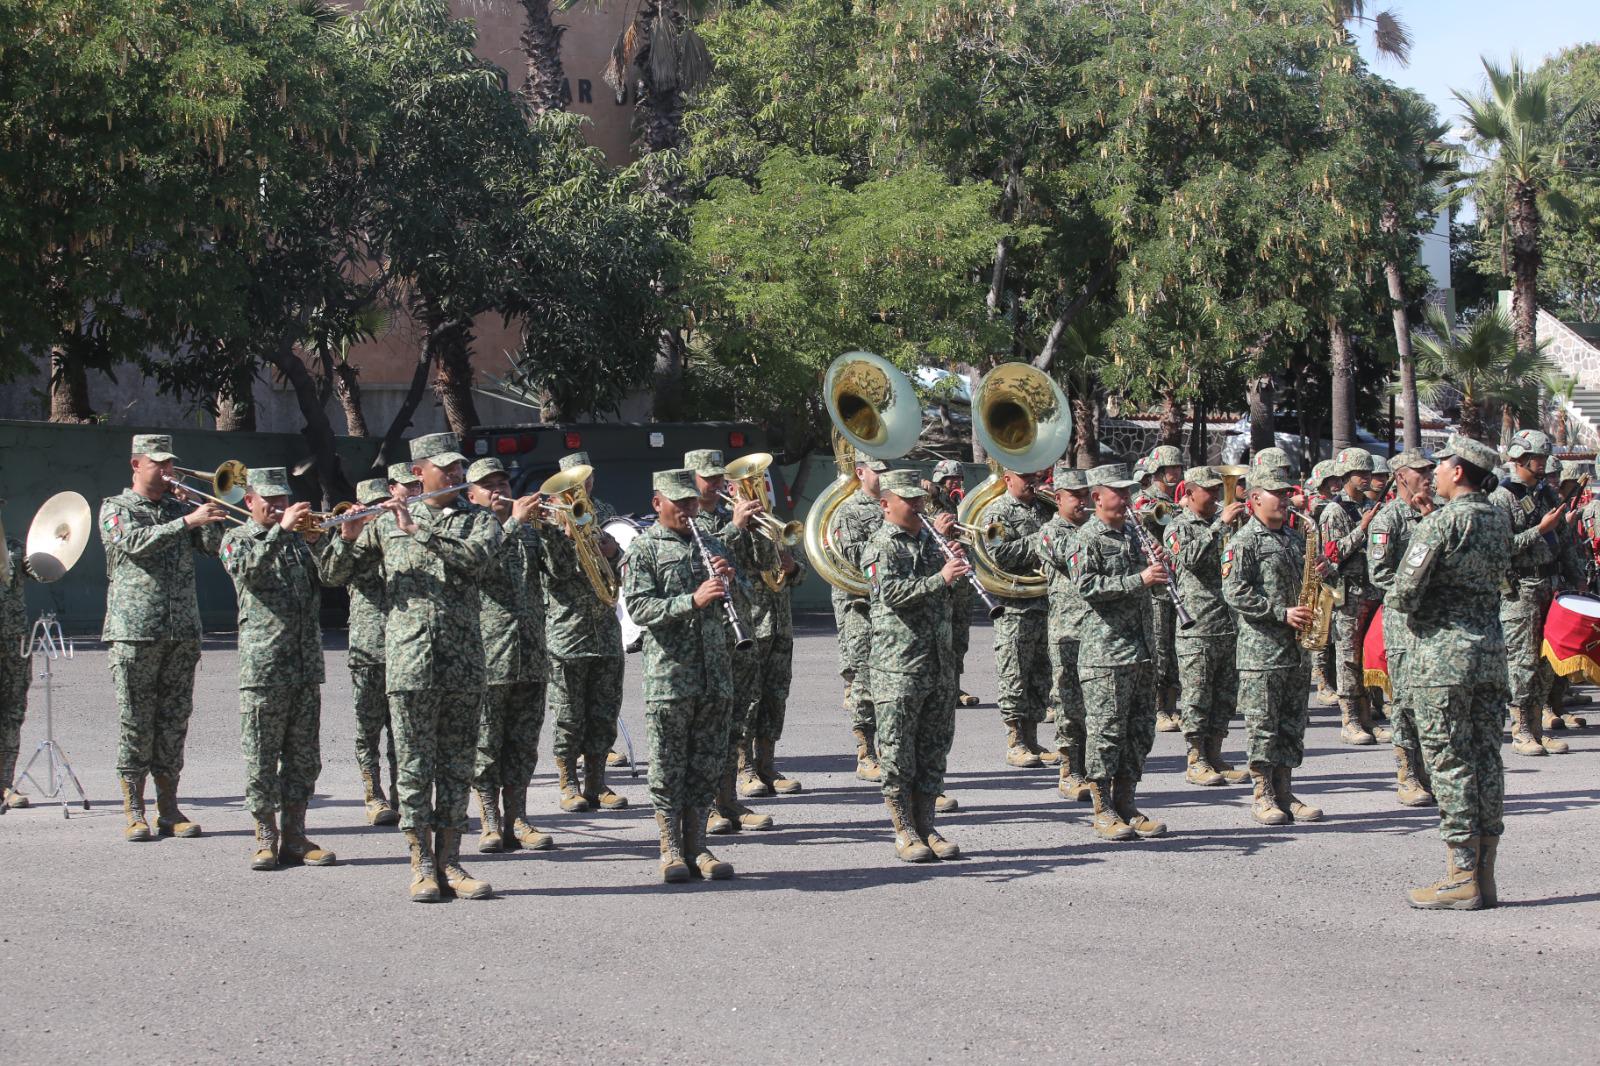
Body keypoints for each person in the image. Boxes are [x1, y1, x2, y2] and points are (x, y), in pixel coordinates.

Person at [321, 432, 501, 903]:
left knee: (457, 766)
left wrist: (421, 530)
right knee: (416, 767)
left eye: (461, 469)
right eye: (448, 469)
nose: (459, 476)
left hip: (463, 662)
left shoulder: (479, 521)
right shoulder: (384, 522)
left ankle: (452, 861)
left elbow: (476, 561)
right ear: (418, 474)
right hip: (409, 662)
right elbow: (334, 576)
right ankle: (421, 864)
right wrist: (347, 538)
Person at [1393, 435, 1512, 910]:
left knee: (1448, 760)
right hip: (1489, 654)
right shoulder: (1499, 520)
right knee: (1486, 759)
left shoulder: (1442, 524)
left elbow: (1403, 593)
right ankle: (1485, 875)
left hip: (1442, 660)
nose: (1435, 472)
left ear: (1459, 472)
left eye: (1441, 465)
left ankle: (1460, 875)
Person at [100, 434, 226, 842]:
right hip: (135, 632)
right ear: (136, 465)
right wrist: (185, 521)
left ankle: (169, 808)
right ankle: (134, 810)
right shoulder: (115, 509)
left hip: (182, 631)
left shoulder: (178, 506)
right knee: (136, 722)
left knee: (174, 722)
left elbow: (211, 548)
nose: (168, 470)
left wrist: (210, 512)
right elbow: (134, 543)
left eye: (170, 463)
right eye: (158, 463)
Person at [620, 469, 739, 883]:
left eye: (692, 502)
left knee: (706, 763)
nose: (689, 510)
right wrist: (692, 600)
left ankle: (698, 845)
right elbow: (639, 609)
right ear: (658, 504)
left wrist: (729, 582)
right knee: (669, 766)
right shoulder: (644, 549)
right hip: (671, 676)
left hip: (714, 673)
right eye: (679, 503)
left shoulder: (711, 541)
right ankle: (670, 848)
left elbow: (727, 604)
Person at [220, 467, 335, 871]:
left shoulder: (299, 541)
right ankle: (265, 837)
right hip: (264, 667)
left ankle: (297, 836)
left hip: (306, 666)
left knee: (304, 758)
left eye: (283, 498)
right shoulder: (237, 539)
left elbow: (335, 577)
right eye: (268, 499)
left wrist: (324, 542)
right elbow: (248, 571)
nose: (278, 505)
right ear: (249, 501)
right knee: (262, 756)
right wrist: (281, 532)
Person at [859, 470, 966, 862]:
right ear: (886, 504)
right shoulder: (880, 546)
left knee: (933, 750)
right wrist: (941, 577)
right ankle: (903, 829)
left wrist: (955, 566)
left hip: (938, 663)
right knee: (899, 752)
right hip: (899, 666)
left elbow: (947, 595)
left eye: (920, 499)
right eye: (910, 500)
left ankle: (927, 825)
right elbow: (893, 593)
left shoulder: (932, 541)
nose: (919, 506)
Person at [1070, 463, 1167, 841]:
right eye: (1119, 493)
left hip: (1141, 649)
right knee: (1106, 733)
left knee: (1138, 731)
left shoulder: (1133, 534)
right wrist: (1138, 578)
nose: (1126, 499)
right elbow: (1087, 586)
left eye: (1128, 492)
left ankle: (1127, 802)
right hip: (1106, 653)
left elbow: (1154, 588)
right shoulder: (1087, 538)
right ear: (1097, 497)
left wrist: (1159, 569)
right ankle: (1102, 808)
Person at [1224, 473, 1326, 826]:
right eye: (1276, 494)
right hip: (1262, 651)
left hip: (1296, 651)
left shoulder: (1295, 540)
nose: (1284, 500)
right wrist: (1280, 612)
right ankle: (1262, 794)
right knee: (1263, 725)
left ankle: (1285, 792)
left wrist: (1320, 571)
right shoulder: (1244, 541)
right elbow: (1234, 591)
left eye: (1286, 494)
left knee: (1291, 724)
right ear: (1254, 499)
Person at [464, 458, 553, 853]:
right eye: (488, 485)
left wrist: (557, 533)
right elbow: (478, 567)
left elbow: (562, 575)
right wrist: (515, 524)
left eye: (502, 482)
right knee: (486, 743)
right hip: (488, 656)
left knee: (523, 744)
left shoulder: (530, 532)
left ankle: (518, 817)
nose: (498, 490)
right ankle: (489, 821)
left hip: (531, 654)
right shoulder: (466, 530)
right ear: (472, 495)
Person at [684, 448, 770, 834]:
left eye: (720, 476)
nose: (717, 483)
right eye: (708, 477)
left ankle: (729, 802)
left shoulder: (727, 513)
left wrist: (763, 525)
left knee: (737, 720)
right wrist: (736, 528)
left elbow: (765, 562)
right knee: (708, 727)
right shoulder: (685, 519)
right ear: (689, 479)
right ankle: (708, 810)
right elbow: (702, 560)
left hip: (742, 627)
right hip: (708, 634)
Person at [542, 450, 628, 809]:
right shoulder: (546, 520)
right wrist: (562, 537)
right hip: (568, 630)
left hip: (605, 626)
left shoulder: (603, 509)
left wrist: (613, 549)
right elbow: (553, 573)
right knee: (568, 712)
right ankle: (568, 782)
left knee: (604, 709)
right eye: (576, 480)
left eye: (587, 477)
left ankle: (597, 782)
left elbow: (622, 558)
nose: (584, 485)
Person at [319, 478, 399, 827]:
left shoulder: (401, 537)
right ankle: (373, 795)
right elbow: (331, 577)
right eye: (371, 509)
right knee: (368, 728)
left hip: (406, 647)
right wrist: (348, 535)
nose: (377, 515)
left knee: (405, 731)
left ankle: (405, 795)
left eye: (382, 506)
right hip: (368, 646)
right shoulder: (350, 541)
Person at [1165, 466, 1249, 787]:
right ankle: (1195, 758)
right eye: (1209, 490)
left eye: (1218, 489)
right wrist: (1219, 526)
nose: (1215, 496)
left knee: (1224, 695)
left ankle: (1215, 754)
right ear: (1189, 493)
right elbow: (1189, 558)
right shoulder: (1177, 527)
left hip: (1228, 622)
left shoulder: (1224, 523)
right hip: (1197, 626)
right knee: (1197, 695)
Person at [1489, 429, 1569, 757]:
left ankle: (1536, 725)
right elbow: (1500, 548)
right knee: (1522, 660)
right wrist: (1540, 530)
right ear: (1520, 458)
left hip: (1549, 585)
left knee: (1546, 659)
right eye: (1537, 458)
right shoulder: (1502, 497)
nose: (1542, 463)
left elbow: (1564, 543)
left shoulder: (1545, 494)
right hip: (1520, 589)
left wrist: (1572, 581)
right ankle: (1520, 728)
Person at [1368, 450, 1438, 808]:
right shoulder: (1389, 520)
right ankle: (1408, 774)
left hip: (1437, 625)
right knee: (1406, 703)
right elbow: (1380, 575)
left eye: (1430, 469)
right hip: (1404, 626)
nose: (1429, 475)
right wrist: (1416, 586)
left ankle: (1433, 772)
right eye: (1421, 470)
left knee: (1435, 702)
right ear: (1400, 477)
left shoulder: (1437, 513)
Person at [984, 466, 1058, 769]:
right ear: (1008, 479)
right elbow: (1000, 554)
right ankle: (1015, 742)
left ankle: (1032, 738)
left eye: (1034, 476)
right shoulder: (998, 512)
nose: (1033, 481)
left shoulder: (1045, 506)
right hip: (1015, 606)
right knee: (1015, 674)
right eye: (1026, 477)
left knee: (1041, 675)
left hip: (1045, 602)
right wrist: (1042, 539)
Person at [1033, 464, 1092, 801]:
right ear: (1058, 499)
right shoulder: (1051, 533)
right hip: (1068, 632)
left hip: (1099, 633)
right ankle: (1070, 772)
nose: (1083, 502)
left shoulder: (1096, 530)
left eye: (1087, 495)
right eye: (1076, 496)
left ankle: (1094, 770)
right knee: (1069, 705)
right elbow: (1076, 561)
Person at [1320, 447, 1386, 745]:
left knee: (1369, 653)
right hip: (1347, 593)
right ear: (1346, 476)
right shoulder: (1335, 511)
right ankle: (1349, 719)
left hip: (1372, 589)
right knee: (1348, 658)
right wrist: (1362, 528)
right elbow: (1332, 554)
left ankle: (1370, 715)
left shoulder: (1370, 506)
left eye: (1368, 474)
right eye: (1360, 474)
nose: (1366, 479)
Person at [832, 450, 888, 780]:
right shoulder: (849, 511)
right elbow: (854, 554)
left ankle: (890, 751)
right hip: (862, 609)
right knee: (865, 682)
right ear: (861, 472)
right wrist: (892, 540)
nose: (884, 475)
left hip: (892, 608)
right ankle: (865, 753)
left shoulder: (892, 504)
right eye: (877, 470)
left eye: (886, 468)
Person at [1135, 445, 1184, 733]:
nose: (1176, 473)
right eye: (1171, 469)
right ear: (1158, 471)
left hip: (1176, 581)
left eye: (1178, 468)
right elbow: (1148, 514)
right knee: (1159, 646)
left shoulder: (1177, 500)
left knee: (1175, 647)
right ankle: (1157, 707)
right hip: (1155, 585)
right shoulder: (1145, 499)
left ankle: (1171, 703)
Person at [927, 458, 980, 708]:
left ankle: (954, 686)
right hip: (942, 579)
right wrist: (934, 489)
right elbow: (923, 489)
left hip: (963, 582)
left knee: (960, 637)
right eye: (950, 479)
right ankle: (940, 687)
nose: (956, 483)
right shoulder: (930, 501)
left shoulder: (964, 503)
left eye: (958, 479)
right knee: (941, 638)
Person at [1543, 460, 1590, 732]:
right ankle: (1544, 709)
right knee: (1544, 656)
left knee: (1564, 650)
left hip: (1562, 584)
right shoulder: (1544, 508)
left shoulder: (1560, 506)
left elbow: (1569, 549)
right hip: (1540, 585)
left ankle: (1559, 705)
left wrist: (1578, 579)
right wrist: (1567, 524)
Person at [1, 513, 36, 811]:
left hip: (14, 642)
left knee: (13, 711)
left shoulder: (14, 547)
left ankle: (4, 783)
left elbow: (42, 572)